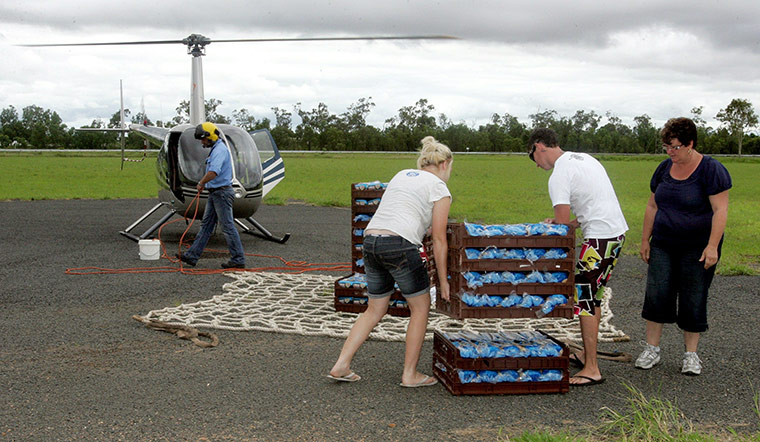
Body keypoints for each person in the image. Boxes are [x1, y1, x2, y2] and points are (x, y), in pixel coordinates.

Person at [328, 136, 453, 388]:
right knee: (420, 308)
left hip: (372, 241)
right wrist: (443, 283)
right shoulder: (440, 188)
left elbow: (402, 210)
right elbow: (439, 239)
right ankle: (410, 374)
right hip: (400, 245)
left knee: (374, 309)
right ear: (445, 164)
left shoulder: (401, 175)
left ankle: (341, 364)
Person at [528, 128, 628, 387]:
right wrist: (569, 223)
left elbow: (562, 229)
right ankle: (586, 354)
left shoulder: (559, 174)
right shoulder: (584, 159)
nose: (537, 166)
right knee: (589, 295)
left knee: (585, 298)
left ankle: (592, 367)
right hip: (612, 234)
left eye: (533, 158)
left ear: (539, 147)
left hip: (599, 240)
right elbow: (588, 209)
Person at [635, 117, 731, 376]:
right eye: (666, 146)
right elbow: (652, 205)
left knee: (693, 296)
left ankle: (691, 355)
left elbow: (720, 210)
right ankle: (652, 350)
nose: (670, 152)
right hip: (664, 243)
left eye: (675, 147)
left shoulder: (711, 170)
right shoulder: (664, 169)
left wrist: (712, 246)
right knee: (657, 294)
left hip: (697, 246)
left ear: (690, 144)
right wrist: (645, 239)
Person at [176, 122, 246, 269]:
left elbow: (214, 172)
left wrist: (201, 183)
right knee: (206, 226)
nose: (202, 142)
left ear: (210, 137)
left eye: (203, 139)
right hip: (215, 193)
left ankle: (238, 259)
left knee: (227, 227)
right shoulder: (216, 149)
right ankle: (192, 256)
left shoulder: (219, 150)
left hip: (221, 193)